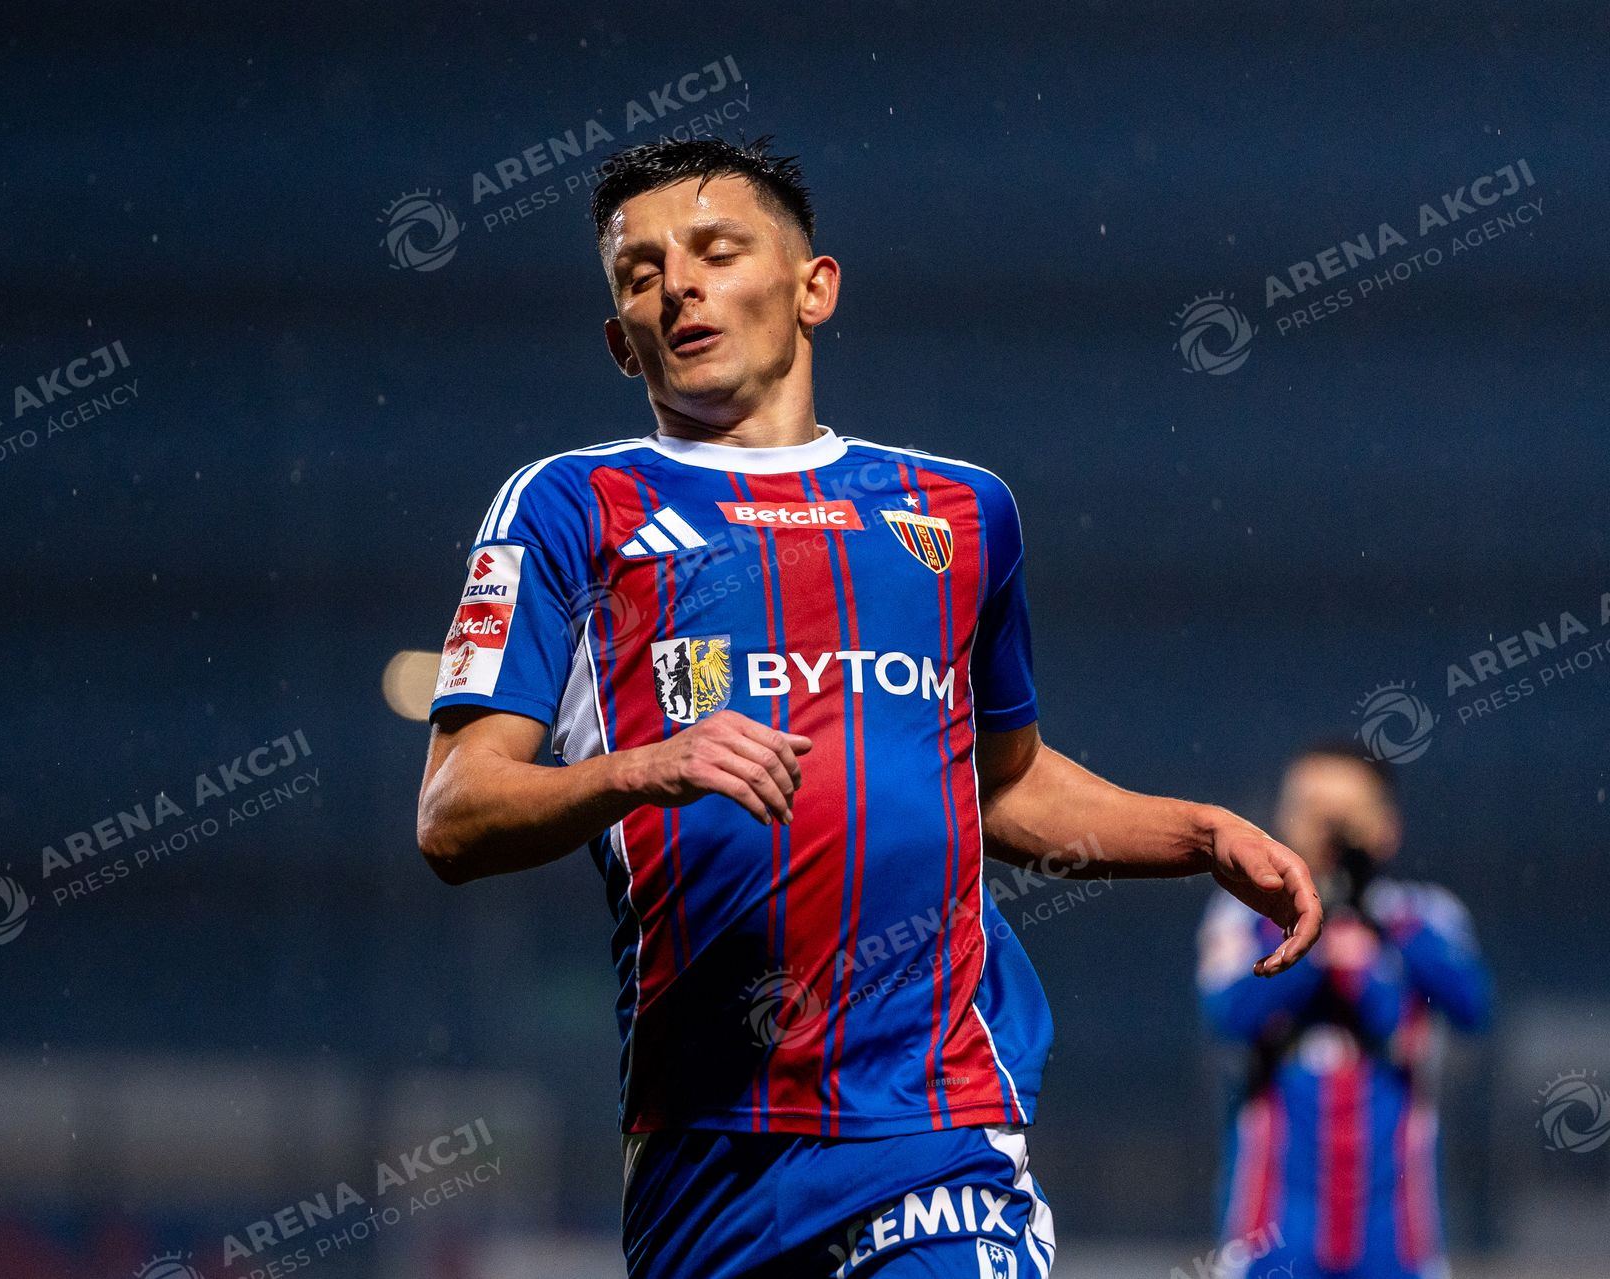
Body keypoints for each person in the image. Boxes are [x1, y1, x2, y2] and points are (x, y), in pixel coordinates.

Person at [416, 135, 1324, 1279]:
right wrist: (641, 767)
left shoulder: (961, 512)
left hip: (934, 1121)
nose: (679, 286)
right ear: (618, 338)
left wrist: (1196, 833)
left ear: (814, 288)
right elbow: (454, 812)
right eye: (641, 275)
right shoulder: (566, 507)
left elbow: (1003, 783)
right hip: (703, 1148)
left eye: (715, 251)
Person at [1198, 742, 1490, 1279]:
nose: (1329, 831)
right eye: (1312, 811)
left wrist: (1373, 922)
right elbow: (1229, 1014)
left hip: (1397, 1234)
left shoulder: (1425, 915)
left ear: (1387, 826)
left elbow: (1472, 1005)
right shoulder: (1244, 916)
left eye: (1347, 814)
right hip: (1272, 1233)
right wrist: (1317, 932)